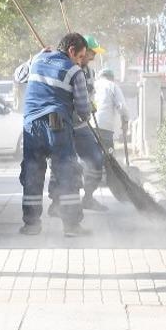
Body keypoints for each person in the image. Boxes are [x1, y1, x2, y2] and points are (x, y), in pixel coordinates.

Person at [19, 32, 92, 238]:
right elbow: (82, 107)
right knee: (66, 172)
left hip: (31, 124)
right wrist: (85, 116)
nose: (80, 61)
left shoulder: (37, 60)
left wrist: (34, 56)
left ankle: (31, 225)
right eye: (80, 56)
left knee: (32, 173)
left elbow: (18, 76)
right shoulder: (74, 71)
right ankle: (71, 226)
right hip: (56, 125)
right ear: (71, 51)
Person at [48, 34, 107, 215]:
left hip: (82, 125)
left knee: (97, 159)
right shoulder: (64, 67)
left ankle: (88, 197)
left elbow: (89, 94)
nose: (93, 57)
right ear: (82, 51)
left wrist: (91, 105)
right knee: (63, 164)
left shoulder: (89, 71)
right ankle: (56, 202)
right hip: (62, 124)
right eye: (91, 53)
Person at [94, 68, 129, 154]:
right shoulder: (112, 86)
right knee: (108, 156)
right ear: (112, 78)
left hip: (89, 125)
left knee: (93, 156)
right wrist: (126, 120)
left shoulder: (93, 85)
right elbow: (122, 107)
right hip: (105, 127)